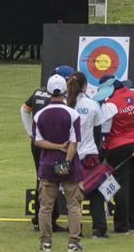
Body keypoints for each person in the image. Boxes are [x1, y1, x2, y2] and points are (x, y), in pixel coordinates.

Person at [22, 65, 76, 232]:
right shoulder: (64, 98)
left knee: (42, 178)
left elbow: (24, 109)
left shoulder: (38, 92)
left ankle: (42, 219)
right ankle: (47, 220)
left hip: (38, 144)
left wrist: (30, 132)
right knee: (54, 180)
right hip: (55, 147)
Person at [34, 74, 83, 252]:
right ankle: (73, 243)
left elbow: (37, 141)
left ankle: (46, 243)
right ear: (65, 91)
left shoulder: (39, 115)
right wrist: (67, 163)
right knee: (73, 206)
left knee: (45, 207)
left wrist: (55, 146)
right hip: (69, 166)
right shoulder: (73, 114)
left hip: (47, 164)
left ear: (48, 91)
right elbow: (74, 142)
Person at [96, 75, 134, 235]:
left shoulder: (110, 104)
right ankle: (133, 224)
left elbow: (105, 130)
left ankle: (121, 226)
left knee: (120, 185)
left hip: (118, 148)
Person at [66, 72, 107, 238]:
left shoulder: (66, 104)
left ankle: (77, 229)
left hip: (70, 154)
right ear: (84, 86)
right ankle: (99, 228)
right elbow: (98, 131)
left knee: (72, 192)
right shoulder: (92, 104)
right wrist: (97, 148)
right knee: (95, 190)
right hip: (90, 153)